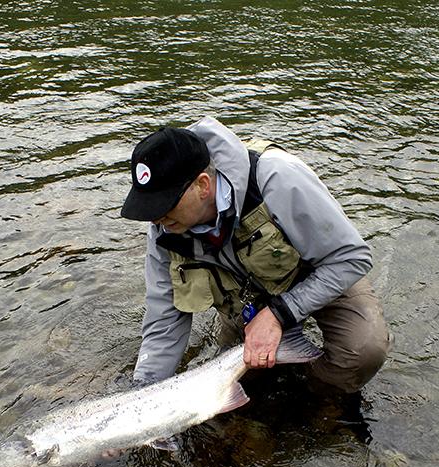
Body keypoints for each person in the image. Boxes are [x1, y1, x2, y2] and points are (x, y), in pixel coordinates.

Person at [121, 116, 389, 398]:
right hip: (246, 304)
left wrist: (278, 315)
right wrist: (142, 395)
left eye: (164, 204)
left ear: (202, 185)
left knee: (363, 349)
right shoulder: (164, 229)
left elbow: (351, 258)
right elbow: (165, 321)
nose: (156, 217)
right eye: (148, 207)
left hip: (319, 277)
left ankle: (318, 400)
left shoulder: (276, 178)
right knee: (237, 391)